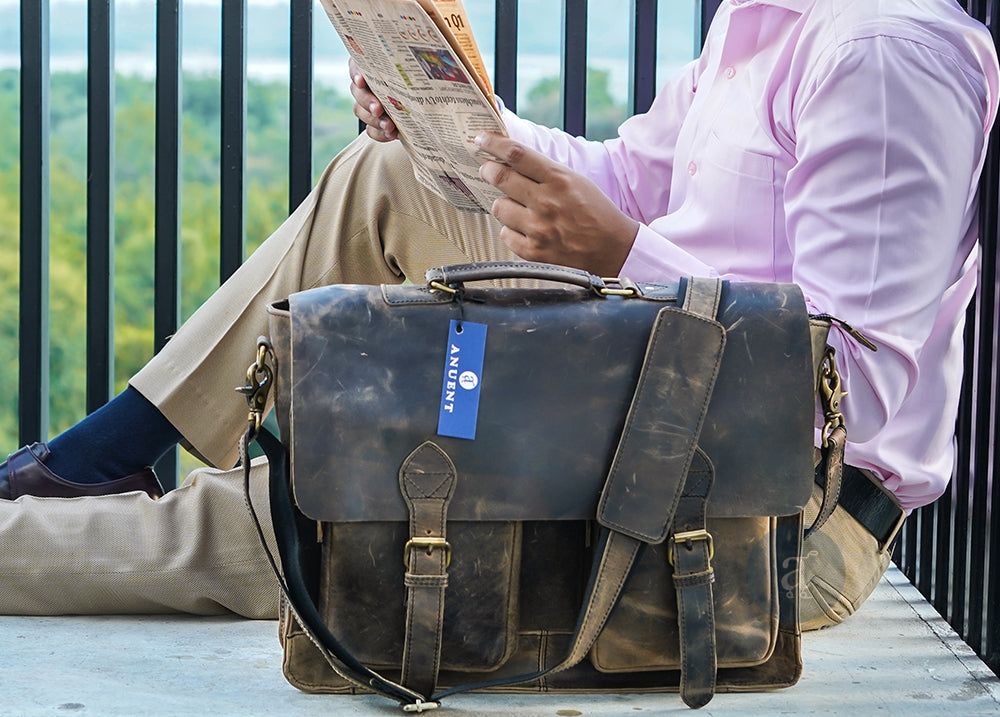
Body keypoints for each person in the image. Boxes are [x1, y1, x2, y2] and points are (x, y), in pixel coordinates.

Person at [1, 0, 997, 629]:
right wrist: (449, 112)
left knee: (318, 521)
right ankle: (100, 456)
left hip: (765, 510)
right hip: (646, 385)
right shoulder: (768, 18)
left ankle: (49, 529)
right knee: (396, 171)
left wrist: (616, 253)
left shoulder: (881, 51)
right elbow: (626, 178)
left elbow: (848, 401)